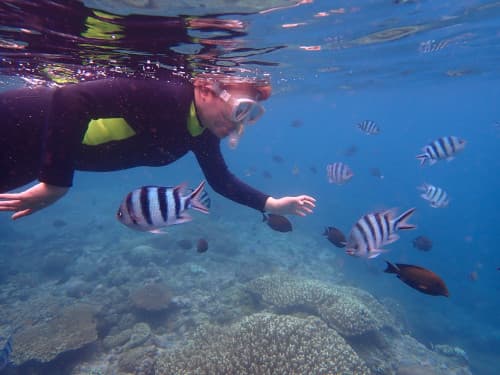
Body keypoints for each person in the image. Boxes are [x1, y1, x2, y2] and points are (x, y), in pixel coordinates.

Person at [0, 72, 316, 220]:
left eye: (251, 114)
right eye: (241, 107)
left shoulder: (201, 132)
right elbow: (69, 98)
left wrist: (272, 204)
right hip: (16, 122)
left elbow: (221, 181)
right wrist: (56, 182)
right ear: (207, 88)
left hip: (31, 153)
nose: (240, 122)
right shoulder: (166, 95)